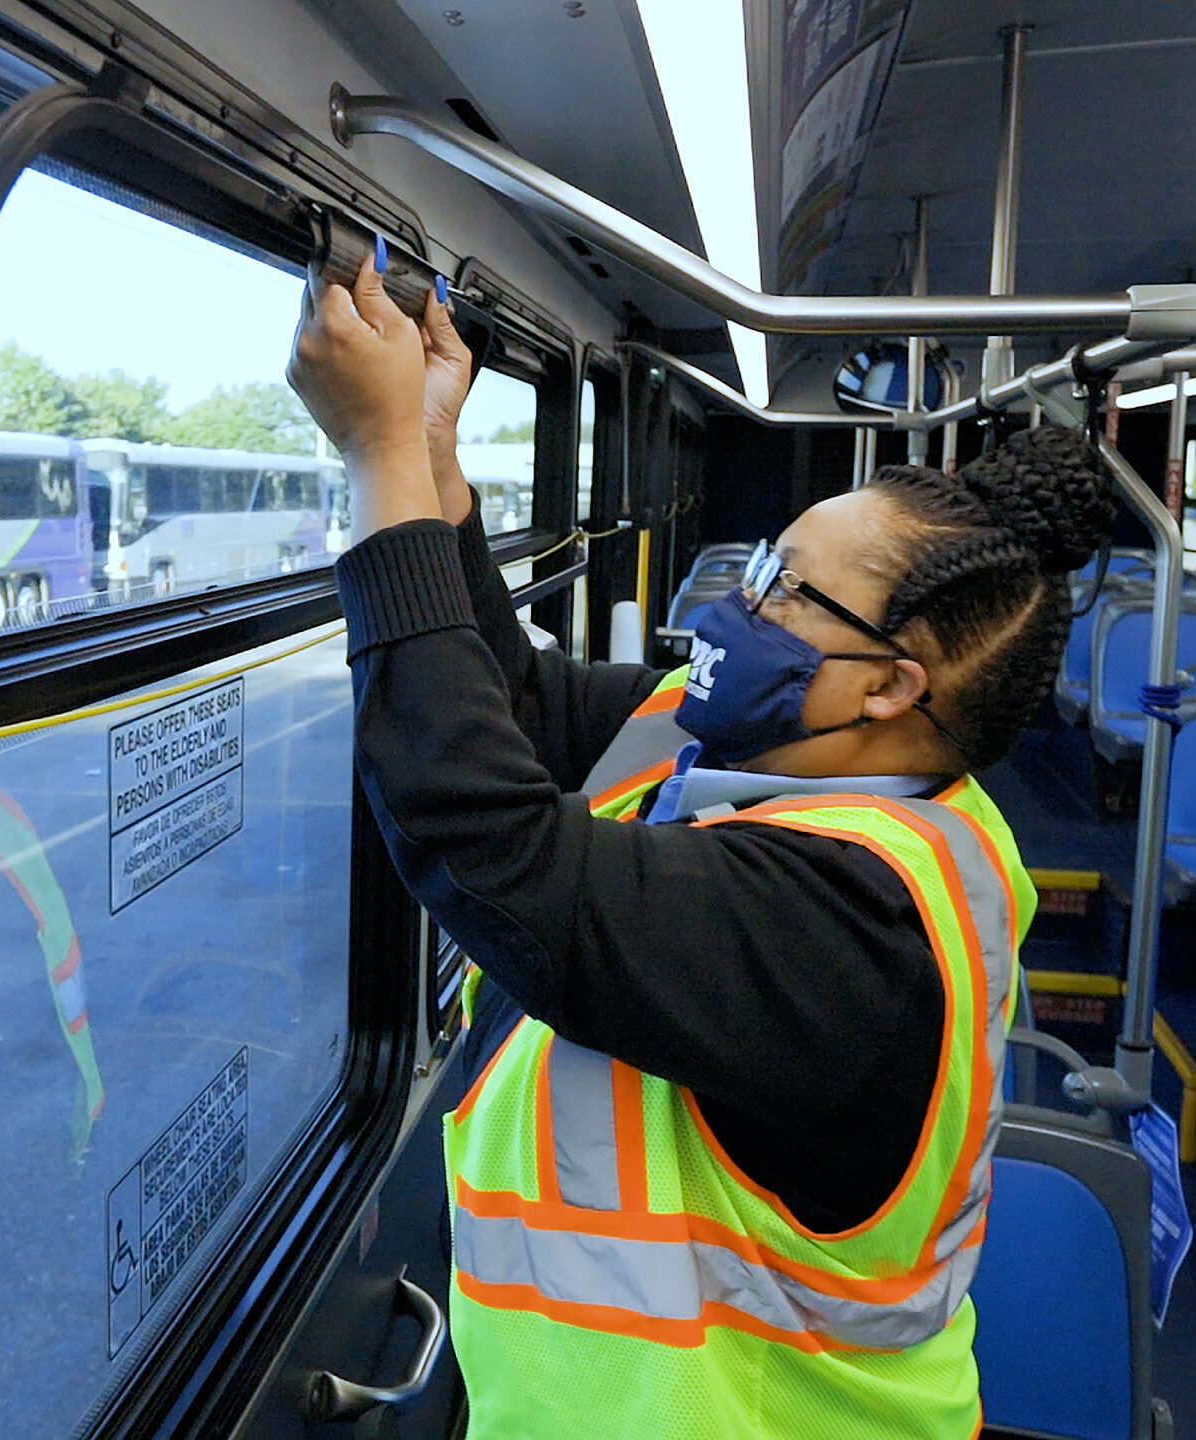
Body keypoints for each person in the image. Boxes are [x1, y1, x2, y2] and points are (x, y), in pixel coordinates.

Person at [287, 253, 1113, 1438]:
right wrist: (424, 455)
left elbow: (487, 840)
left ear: (887, 685)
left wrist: (370, 466)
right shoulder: (748, 747)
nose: (740, 605)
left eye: (785, 593)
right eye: (767, 563)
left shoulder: (852, 919)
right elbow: (512, 707)